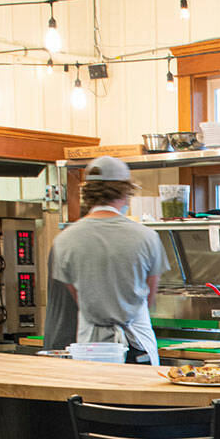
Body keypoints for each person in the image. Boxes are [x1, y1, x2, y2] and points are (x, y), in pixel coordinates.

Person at [50, 156, 169, 364]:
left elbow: (78, 297)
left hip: (91, 350)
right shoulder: (146, 236)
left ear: (87, 193)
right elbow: (149, 298)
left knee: (94, 397)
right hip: (138, 345)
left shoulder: (65, 240)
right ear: (126, 192)